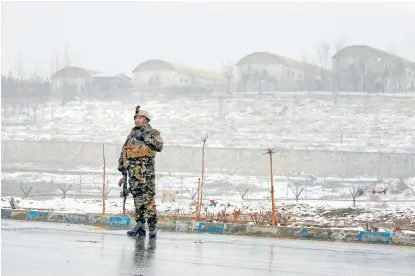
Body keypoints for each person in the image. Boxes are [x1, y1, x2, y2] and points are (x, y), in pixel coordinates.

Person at [118, 106, 163, 238]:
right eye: (136, 117)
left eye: (140, 117)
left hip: (146, 172)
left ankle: (152, 226)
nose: (137, 120)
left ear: (146, 119)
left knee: (148, 200)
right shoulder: (131, 134)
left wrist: (144, 137)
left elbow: (159, 147)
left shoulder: (153, 132)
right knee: (137, 199)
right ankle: (140, 225)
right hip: (133, 172)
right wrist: (121, 164)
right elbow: (125, 149)